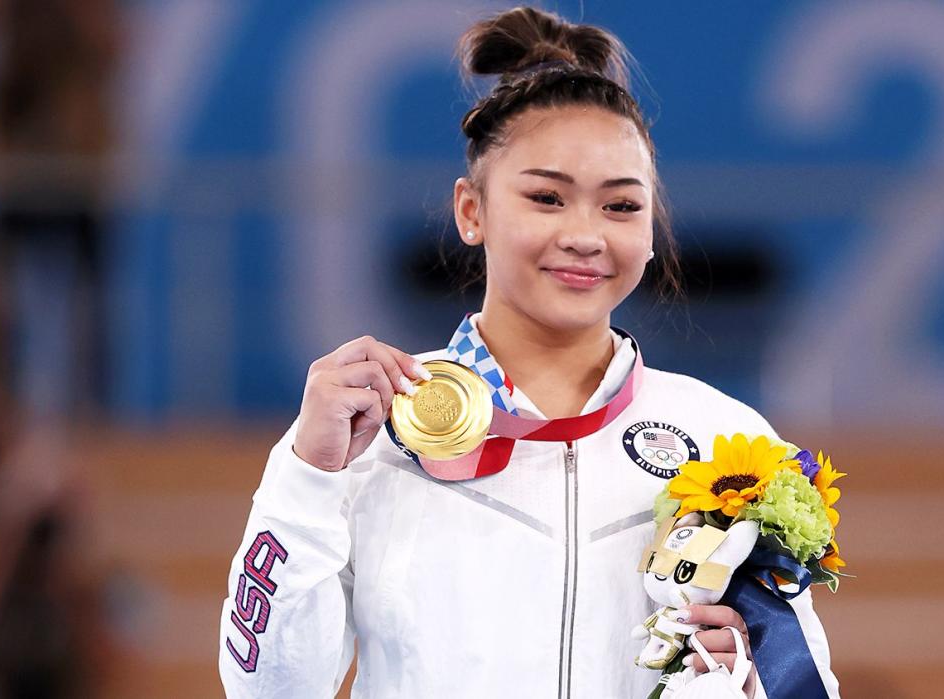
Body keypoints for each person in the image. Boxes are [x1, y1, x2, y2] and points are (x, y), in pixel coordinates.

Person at [218, 7, 839, 698]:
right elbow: (270, 690)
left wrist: (747, 680)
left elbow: (807, 684)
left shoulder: (727, 442)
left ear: (653, 227)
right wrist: (307, 474)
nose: (584, 234)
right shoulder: (369, 436)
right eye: (547, 197)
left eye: (620, 206)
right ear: (471, 211)